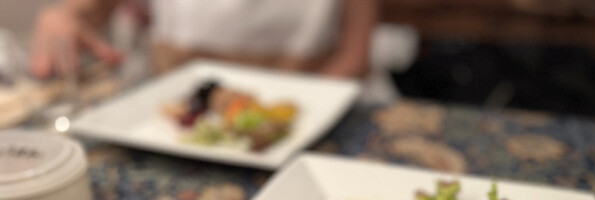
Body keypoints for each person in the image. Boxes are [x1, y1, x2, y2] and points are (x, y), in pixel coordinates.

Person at [29, 0, 378, 79]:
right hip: (177, 125)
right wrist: (65, 16)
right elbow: (86, 9)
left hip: (312, 105)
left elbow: (355, 57)